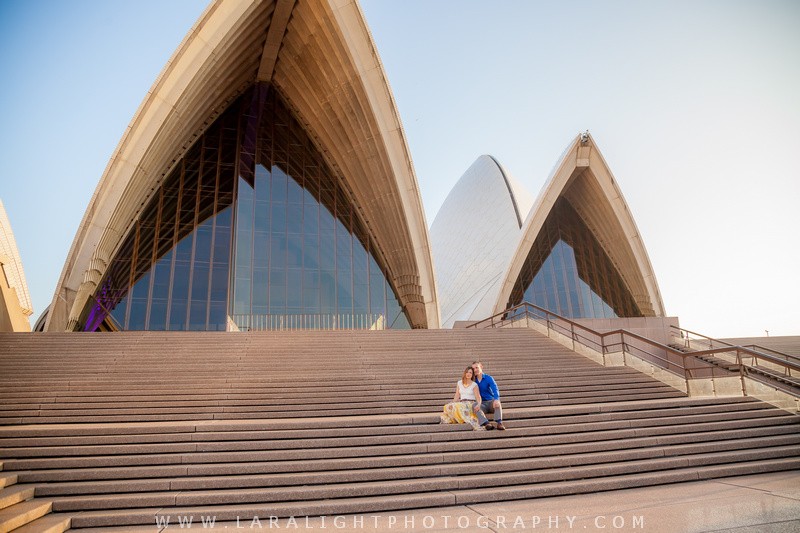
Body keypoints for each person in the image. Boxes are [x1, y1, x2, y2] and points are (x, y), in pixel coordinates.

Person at [440, 366, 494, 431]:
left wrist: (479, 404)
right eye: (467, 372)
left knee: (458, 406)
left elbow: (478, 396)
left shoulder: (474, 385)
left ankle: (466, 419)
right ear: (465, 373)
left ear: (472, 375)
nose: (468, 374)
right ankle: (460, 418)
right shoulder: (459, 383)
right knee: (448, 406)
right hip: (461, 402)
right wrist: (453, 402)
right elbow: (457, 395)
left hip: (470, 403)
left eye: (470, 373)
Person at [471, 361, 506, 430]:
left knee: (497, 402)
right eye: (473, 369)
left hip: (490, 403)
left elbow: (495, 389)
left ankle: (499, 423)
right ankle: (486, 423)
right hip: (481, 404)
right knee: (474, 405)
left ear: (481, 367)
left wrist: (496, 399)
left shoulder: (488, 378)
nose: (475, 370)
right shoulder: (473, 380)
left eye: (476, 368)